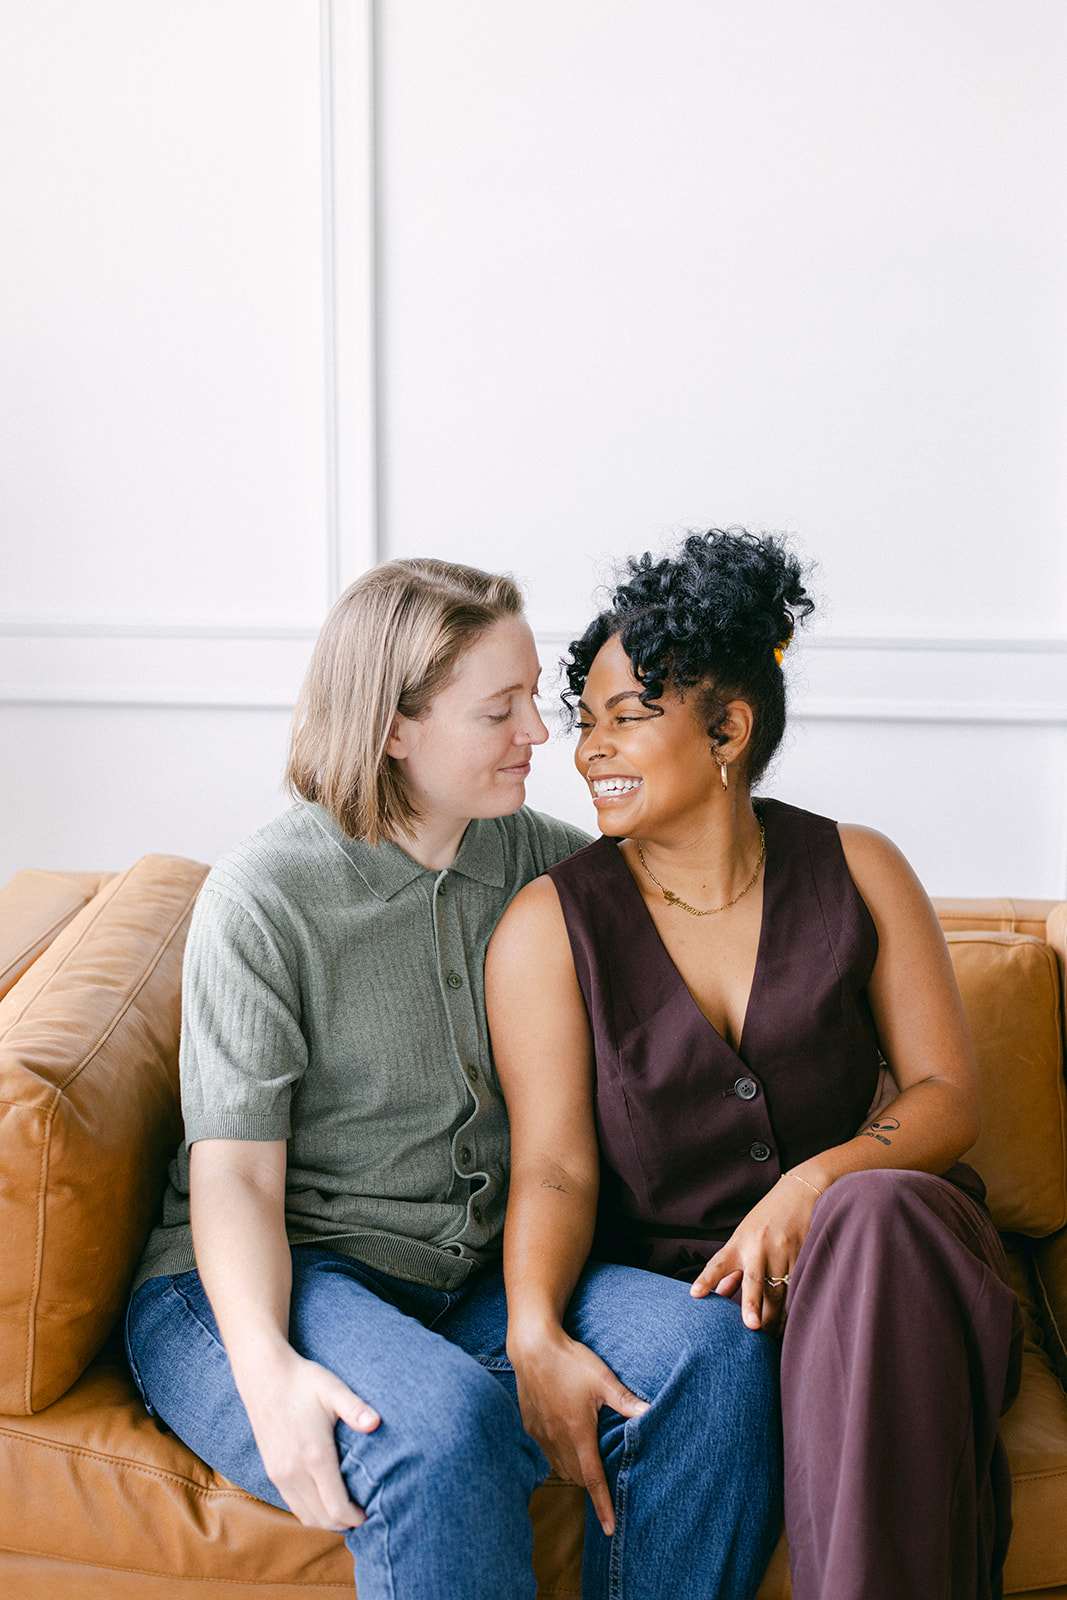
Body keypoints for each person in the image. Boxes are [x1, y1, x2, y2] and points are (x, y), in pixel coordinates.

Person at [124, 557, 782, 1600]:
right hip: (272, 1278)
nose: (540, 734)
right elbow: (237, 1182)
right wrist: (264, 1370)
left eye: (534, 698)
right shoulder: (267, 896)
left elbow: (724, 897)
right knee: (437, 1433)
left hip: (467, 1284)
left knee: (712, 1358)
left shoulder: (542, 865)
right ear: (393, 727)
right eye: (499, 710)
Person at [486, 530, 1023, 1600]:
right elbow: (552, 1165)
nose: (588, 748)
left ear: (727, 728)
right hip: (693, 1309)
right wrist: (533, 1326)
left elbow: (946, 1098)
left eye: (627, 716)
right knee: (732, 1337)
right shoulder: (548, 925)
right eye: (584, 721)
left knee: (872, 1216)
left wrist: (813, 1182)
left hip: (891, 1288)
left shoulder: (858, 865)